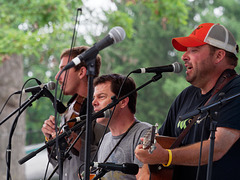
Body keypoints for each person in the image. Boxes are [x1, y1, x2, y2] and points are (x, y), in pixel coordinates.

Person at [135, 23, 240, 180]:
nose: (184, 56)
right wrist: (146, 169)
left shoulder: (236, 90)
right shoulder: (186, 96)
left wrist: (167, 157)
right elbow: (161, 141)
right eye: (186, 51)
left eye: (194, 50)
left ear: (219, 56)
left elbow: (218, 147)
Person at [41, 46, 106, 180]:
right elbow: (62, 168)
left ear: (82, 72)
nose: (57, 76)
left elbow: (110, 156)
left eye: (64, 69)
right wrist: (51, 140)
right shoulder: (70, 109)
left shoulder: (102, 109)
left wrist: (76, 143)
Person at [92, 73, 151, 179]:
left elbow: (144, 177)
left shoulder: (145, 132)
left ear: (123, 102)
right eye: (94, 98)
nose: (94, 102)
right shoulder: (104, 140)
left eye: (101, 97)